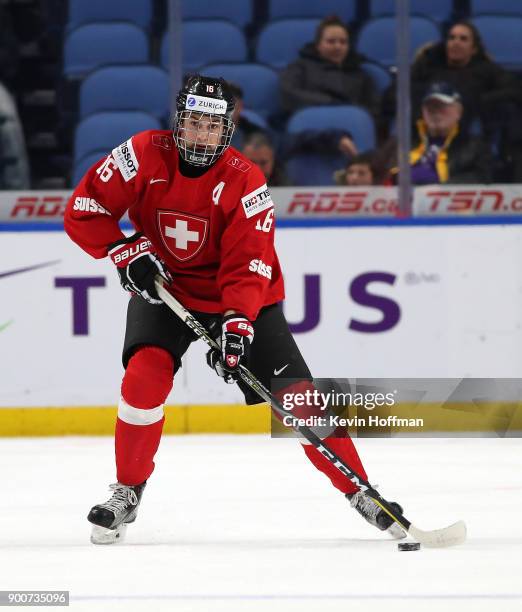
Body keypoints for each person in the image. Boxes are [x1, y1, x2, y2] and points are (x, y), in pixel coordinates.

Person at [64, 75, 405, 545]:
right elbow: (84, 210)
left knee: (299, 398)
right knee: (144, 378)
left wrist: (237, 322)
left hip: (241, 298)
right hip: (166, 289)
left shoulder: (246, 179)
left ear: (228, 129)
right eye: (193, 123)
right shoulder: (142, 152)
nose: (201, 134)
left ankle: (361, 491)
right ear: (178, 122)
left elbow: (250, 262)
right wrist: (124, 251)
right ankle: (127, 489)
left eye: (212, 125)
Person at [385, 82, 492, 185]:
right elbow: (383, 172)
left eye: (442, 107)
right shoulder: (403, 142)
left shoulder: (474, 146)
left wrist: (438, 188)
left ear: (459, 111)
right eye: (430, 108)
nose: (436, 113)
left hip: (447, 201)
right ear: (423, 111)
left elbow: (481, 178)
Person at [280, 15, 378, 117]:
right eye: (331, 41)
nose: (338, 47)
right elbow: (289, 94)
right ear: (318, 45)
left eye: (343, 42)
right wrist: (330, 102)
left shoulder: (361, 74)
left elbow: (373, 112)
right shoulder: (299, 67)